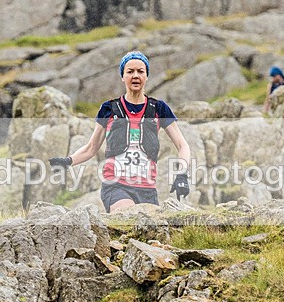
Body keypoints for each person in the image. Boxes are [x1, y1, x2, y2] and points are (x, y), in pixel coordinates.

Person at [49, 51, 191, 213]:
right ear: (123, 76)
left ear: (147, 76)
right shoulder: (109, 108)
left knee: (149, 233)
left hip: (147, 189)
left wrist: (182, 175)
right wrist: (68, 161)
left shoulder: (159, 108)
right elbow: (91, 148)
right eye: (130, 72)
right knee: (130, 215)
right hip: (115, 186)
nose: (135, 75)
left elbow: (182, 145)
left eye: (140, 71)